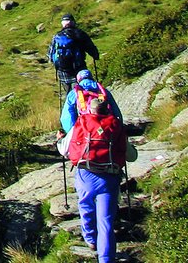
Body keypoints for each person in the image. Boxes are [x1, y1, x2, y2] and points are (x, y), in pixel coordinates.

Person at [65, 92, 128, 263]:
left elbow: (68, 149)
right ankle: (106, 258)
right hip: (109, 177)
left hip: (86, 174)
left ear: (91, 110)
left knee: (85, 206)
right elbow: (128, 154)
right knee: (106, 222)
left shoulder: (82, 122)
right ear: (107, 109)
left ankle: (90, 239)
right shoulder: (115, 125)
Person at [48, 13, 99, 93]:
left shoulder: (57, 36)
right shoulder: (80, 34)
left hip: (63, 72)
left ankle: (71, 105)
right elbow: (91, 48)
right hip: (79, 69)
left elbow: (50, 55)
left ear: (63, 24)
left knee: (69, 95)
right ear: (73, 22)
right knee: (82, 93)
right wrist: (95, 56)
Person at [60, 68, 121, 134]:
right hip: (106, 127)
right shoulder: (102, 90)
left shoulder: (74, 92)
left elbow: (66, 116)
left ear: (78, 80)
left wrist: (71, 131)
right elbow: (115, 110)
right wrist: (119, 126)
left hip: (85, 128)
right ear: (91, 77)